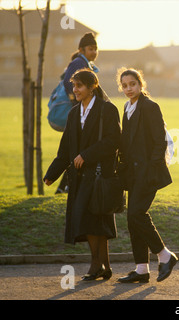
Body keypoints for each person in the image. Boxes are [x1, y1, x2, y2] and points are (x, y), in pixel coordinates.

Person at [44, 69, 121, 281]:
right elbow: (66, 148)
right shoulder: (73, 112)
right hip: (79, 178)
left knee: (96, 222)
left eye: (79, 86)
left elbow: (114, 141)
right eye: (74, 85)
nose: (74, 90)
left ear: (92, 86)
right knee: (90, 222)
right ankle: (103, 266)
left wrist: (86, 155)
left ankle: (96, 265)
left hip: (99, 177)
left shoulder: (107, 109)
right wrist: (52, 173)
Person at [116, 68, 177, 284]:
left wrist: (151, 169)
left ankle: (165, 255)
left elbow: (159, 141)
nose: (128, 88)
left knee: (136, 214)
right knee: (133, 220)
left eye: (132, 84)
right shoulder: (126, 107)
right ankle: (141, 269)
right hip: (132, 173)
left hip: (148, 172)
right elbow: (128, 139)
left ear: (141, 85)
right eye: (124, 85)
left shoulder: (151, 107)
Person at [55, 32, 101, 195]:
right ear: (81, 49)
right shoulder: (78, 62)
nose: (94, 52)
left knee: (78, 149)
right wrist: (78, 100)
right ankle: (63, 187)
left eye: (95, 48)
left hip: (83, 110)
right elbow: (69, 81)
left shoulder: (85, 63)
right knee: (76, 149)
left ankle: (64, 187)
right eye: (90, 48)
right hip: (80, 112)